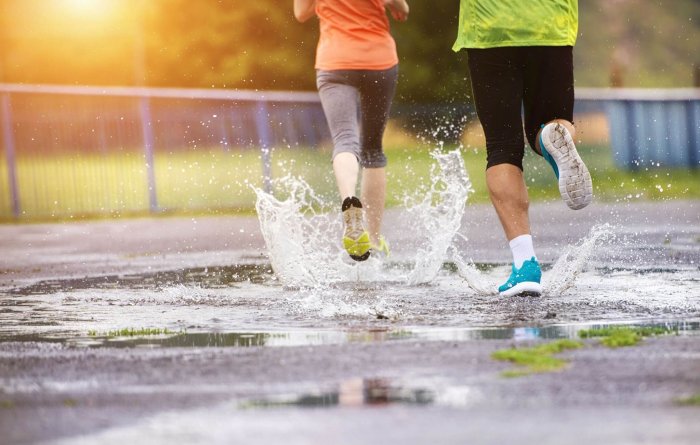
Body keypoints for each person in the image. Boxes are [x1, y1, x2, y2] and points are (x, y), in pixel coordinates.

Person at [452, 0, 593, 296]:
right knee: (552, 121)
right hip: (550, 24)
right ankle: (553, 136)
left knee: (503, 146)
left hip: (490, 29)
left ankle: (525, 264)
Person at [293, 0, 409, 261]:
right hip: (378, 59)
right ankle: (375, 241)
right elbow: (401, 7)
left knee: (345, 139)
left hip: (335, 61)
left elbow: (301, 13)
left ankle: (349, 199)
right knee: (373, 150)